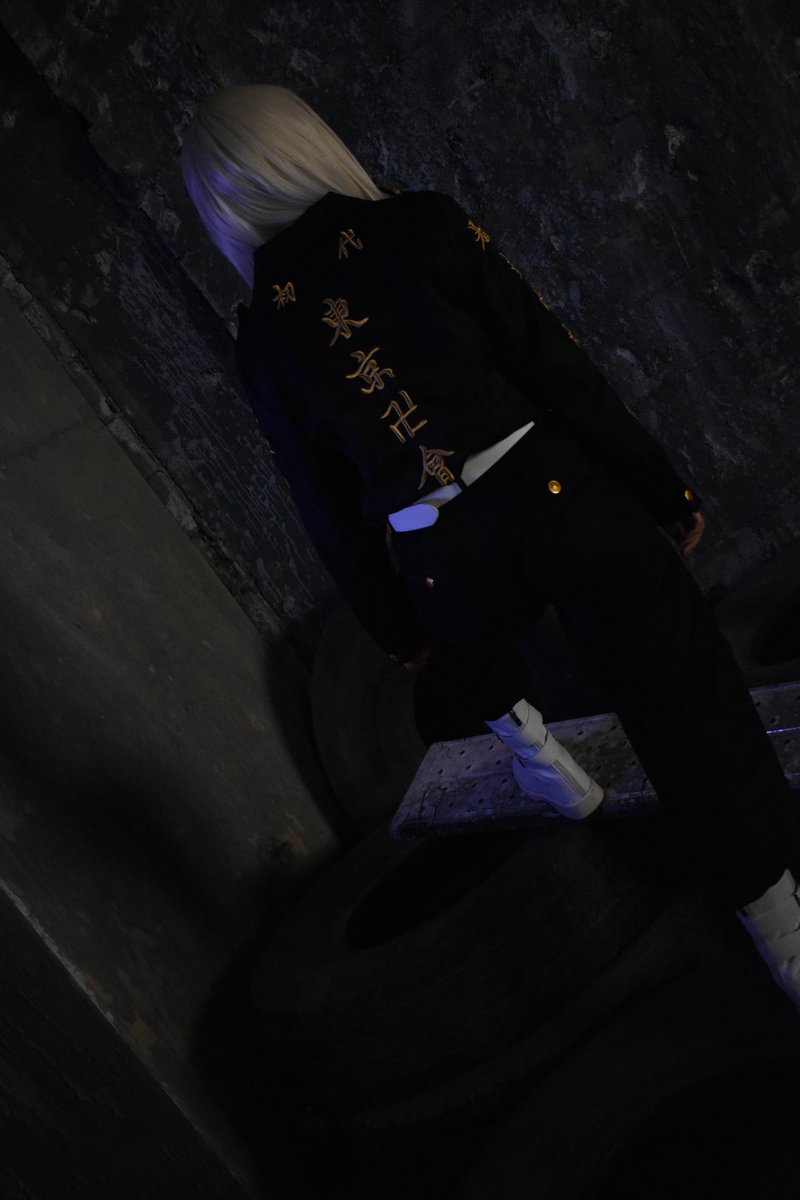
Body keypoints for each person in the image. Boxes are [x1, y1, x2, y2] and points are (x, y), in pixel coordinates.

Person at [180, 83, 800, 1008]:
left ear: (224, 205)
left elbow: (324, 504)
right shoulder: (416, 226)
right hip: (546, 493)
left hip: (438, 555)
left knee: (463, 635)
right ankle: (784, 932)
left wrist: (397, 628)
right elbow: (549, 359)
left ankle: (532, 748)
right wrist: (659, 486)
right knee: (683, 696)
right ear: (304, 144)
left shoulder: (262, 337)